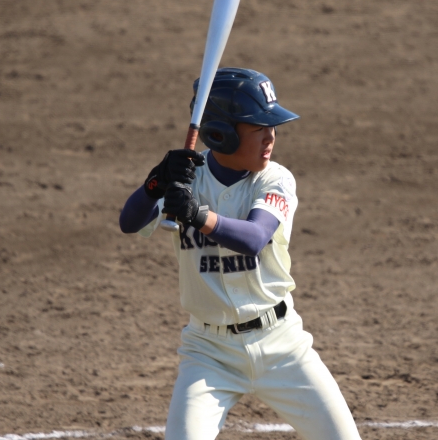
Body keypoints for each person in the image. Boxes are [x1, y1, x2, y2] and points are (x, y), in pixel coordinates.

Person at [119, 67, 362, 440]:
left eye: (272, 127)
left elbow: (254, 238)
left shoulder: (275, 179)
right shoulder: (189, 179)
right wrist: (156, 182)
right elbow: (129, 222)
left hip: (282, 346)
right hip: (208, 353)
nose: (271, 136)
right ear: (221, 134)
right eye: (259, 127)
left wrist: (197, 215)